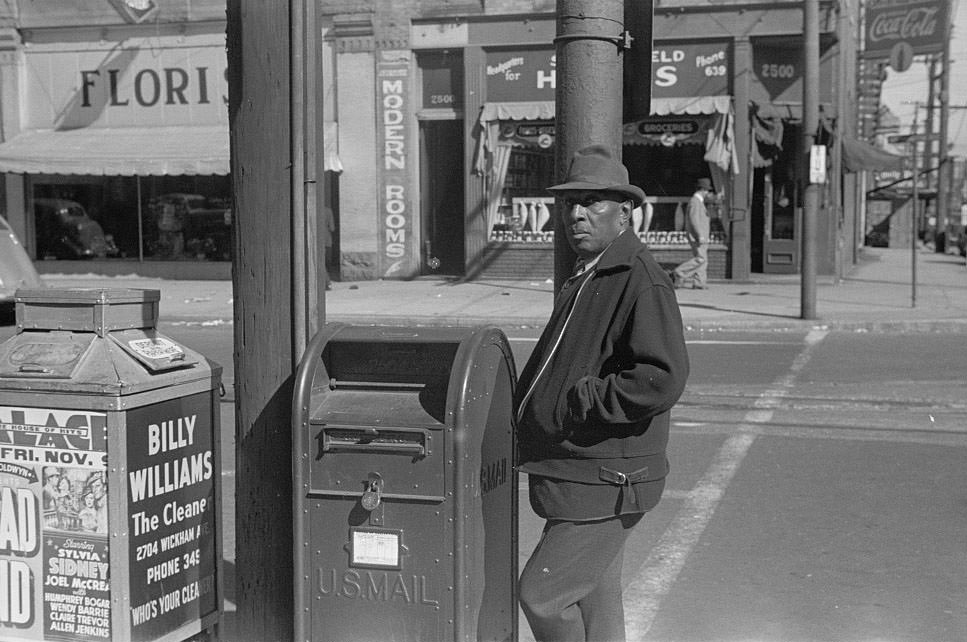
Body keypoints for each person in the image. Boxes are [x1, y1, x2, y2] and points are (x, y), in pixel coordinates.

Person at [515, 144, 690, 642]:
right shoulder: (592, 271)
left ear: (625, 212)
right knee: (597, 601)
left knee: (542, 595)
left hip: (607, 478)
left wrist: (581, 399)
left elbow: (661, 377)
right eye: (569, 203)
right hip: (586, 472)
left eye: (593, 202)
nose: (576, 215)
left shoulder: (637, 278)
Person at [671, 177, 714, 289]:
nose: (707, 193)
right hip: (698, 236)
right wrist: (700, 234)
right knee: (700, 259)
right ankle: (679, 272)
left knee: (703, 259)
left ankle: (699, 282)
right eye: (707, 190)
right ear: (703, 190)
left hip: (701, 236)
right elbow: (694, 219)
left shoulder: (698, 202)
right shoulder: (695, 202)